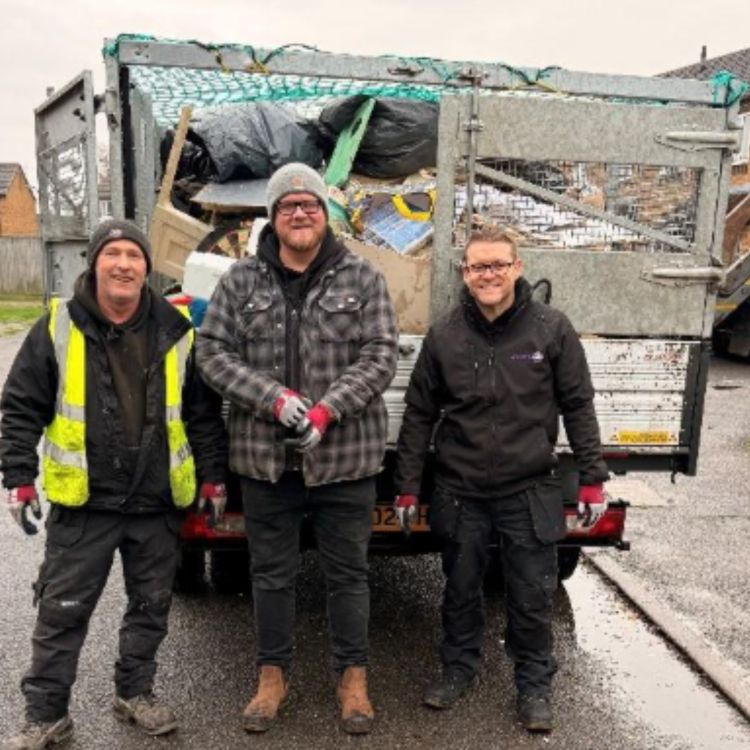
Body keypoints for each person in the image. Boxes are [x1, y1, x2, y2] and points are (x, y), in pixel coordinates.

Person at [0, 219, 227, 750]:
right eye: (113, 254)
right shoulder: (57, 326)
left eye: (134, 255)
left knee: (150, 607)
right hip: (86, 503)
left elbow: (202, 415)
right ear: (95, 262)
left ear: (147, 268)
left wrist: (214, 478)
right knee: (61, 612)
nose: (124, 264)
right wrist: (18, 478)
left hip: (155, 501)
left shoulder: (177, 331)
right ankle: (46, 714)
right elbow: (20, 408)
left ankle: (136, 693)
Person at [196, 162, 398, 735]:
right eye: (288, 205)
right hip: (265, 461)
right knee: (270, 575)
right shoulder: (240, 282)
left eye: (309, 203)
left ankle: (353, 679)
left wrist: (325, 409)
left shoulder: (362, 278)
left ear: (325, 212)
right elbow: (212, 356)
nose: (300, 212)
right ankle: (271, 676)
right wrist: (274, 398)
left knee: (348, 575)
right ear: (273, 216)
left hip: (345, 460)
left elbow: (381, 354)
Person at [393, 225, 609, 733]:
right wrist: (406, 485)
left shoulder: (551, 329)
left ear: (516, 268)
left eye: (497, 265)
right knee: (460, 588)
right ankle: (457, 669)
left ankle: (534, 686)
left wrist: (592, 478)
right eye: (477, 267)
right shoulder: (445, 336)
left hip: (528, 486)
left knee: (532, 593)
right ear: (464, 274)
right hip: (460, 488)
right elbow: (419, 414)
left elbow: (578, 405)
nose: (487, 275)